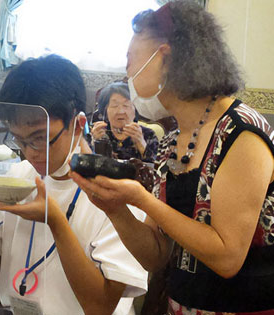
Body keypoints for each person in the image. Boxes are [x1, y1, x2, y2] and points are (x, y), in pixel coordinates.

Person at [71, 1, 274, 314]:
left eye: (130, 61)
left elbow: (227, 257)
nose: (127, 75)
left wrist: (143, 200)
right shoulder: (171, 143)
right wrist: (116, 209)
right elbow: (155, 255)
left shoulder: (241, 132)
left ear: (163, 58)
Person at [0, 55, 148, 315]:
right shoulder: (19, 177)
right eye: (20, 140)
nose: (30, 153)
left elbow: (100, 308)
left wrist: (55, 221)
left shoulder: (118, 195)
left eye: (40, 139)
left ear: (78, 125)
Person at [91, 82, 158, 162]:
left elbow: (155, 169)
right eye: (114, 106)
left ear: (135, 111)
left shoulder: (148, 135)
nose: (121, 111)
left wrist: (141, 143)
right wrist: (94, 143)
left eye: (126, 105)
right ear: (105, 112)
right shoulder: (99, 133)